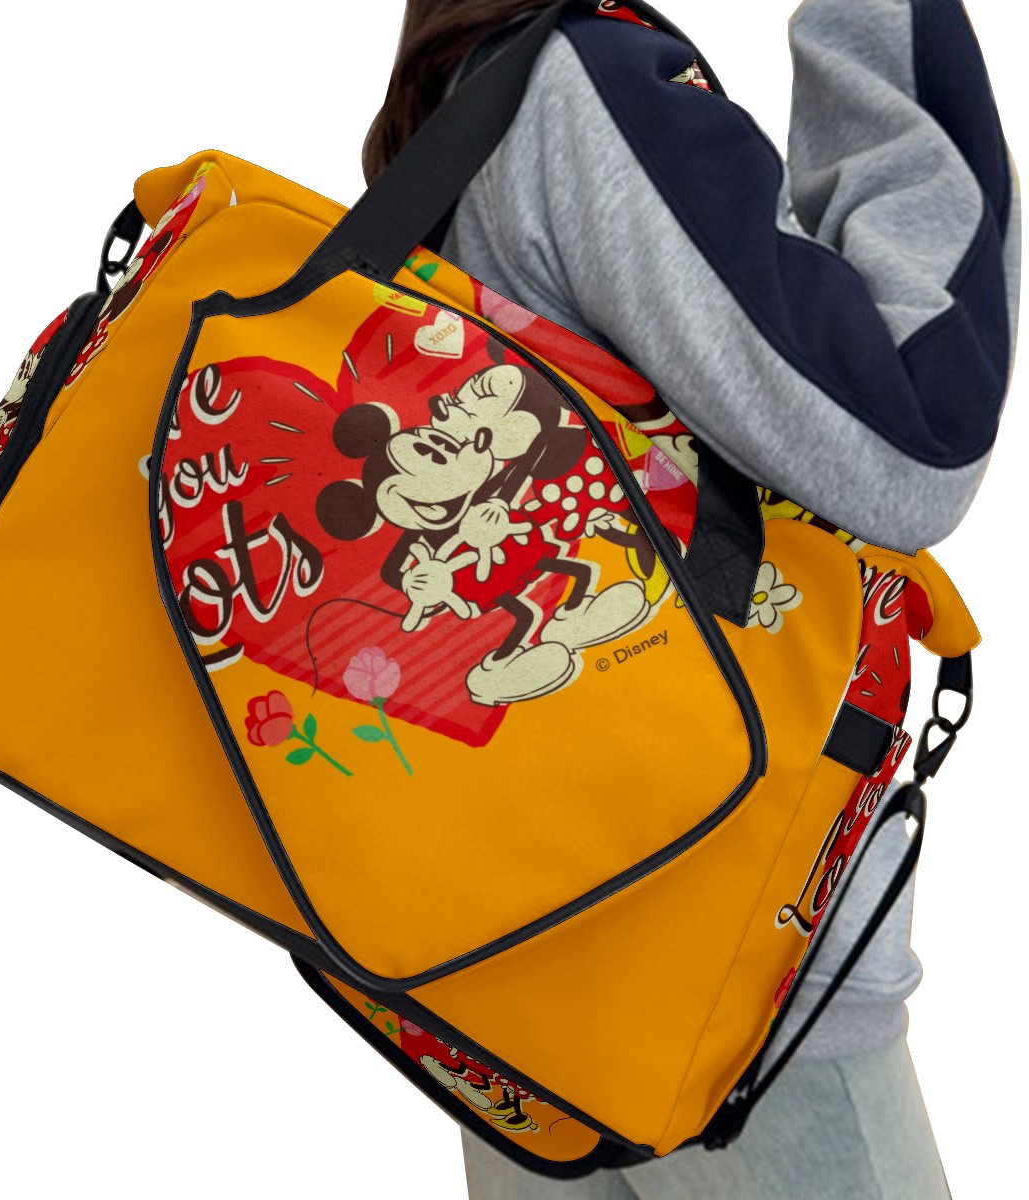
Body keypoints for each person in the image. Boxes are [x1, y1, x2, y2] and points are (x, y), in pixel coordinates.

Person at [362, 2, 1020, 1197]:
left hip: (508, 970)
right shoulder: (589, 87)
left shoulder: (458, 116)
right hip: (731, 990)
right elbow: (914, 434)